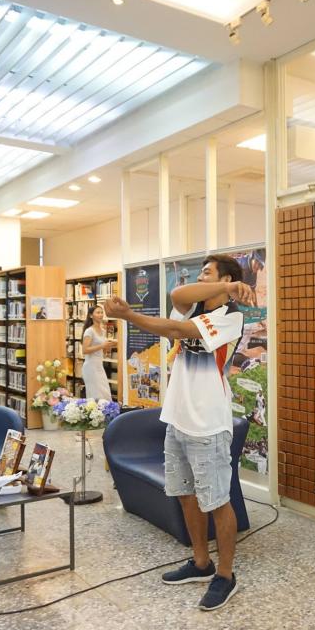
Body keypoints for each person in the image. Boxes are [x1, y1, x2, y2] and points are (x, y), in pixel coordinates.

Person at [104, 254, 255, 611]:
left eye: (208, 273)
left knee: (217, 501)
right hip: (177, 419)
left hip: (208, 424)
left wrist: (127, 315)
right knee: (186, 495)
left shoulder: (231, 317)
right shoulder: (192, 306)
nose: (200, 278)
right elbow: (177, 295)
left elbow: (177, 332)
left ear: (226, 281)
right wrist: (225, 283)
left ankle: (226, 575)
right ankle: (201, 563)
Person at [80, 304, 115, 401]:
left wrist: (108, 347)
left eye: (102, 312)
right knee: (95, 396)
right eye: (98, 312)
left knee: (106, 394)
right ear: (91, 315)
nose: (100, 315)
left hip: (99, 366)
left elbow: (101, 350)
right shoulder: (89, 331)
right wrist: (102, 345)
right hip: (90, 367)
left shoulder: (103, 331)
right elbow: (85, 350)